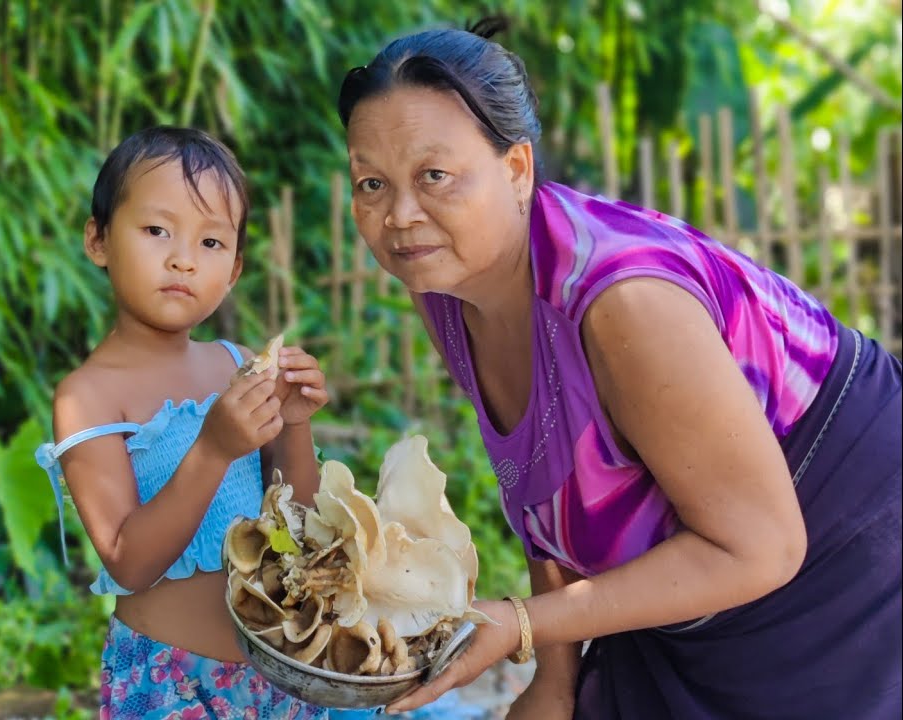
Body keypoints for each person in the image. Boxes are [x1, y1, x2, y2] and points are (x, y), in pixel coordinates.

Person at [335, 19, 902, 720]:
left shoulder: (625, 306)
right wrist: (553, 683)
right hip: (691, 560)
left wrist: (519, 621)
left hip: (843, 548)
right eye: (371, 183)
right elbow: (547, 488)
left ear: (516, 169)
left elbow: (764, 547)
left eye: (435, 175)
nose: (400, 214)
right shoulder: (445, 285)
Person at [35, 127, 369, 719]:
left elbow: (298, 526)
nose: (183, 259)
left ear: (235, 269)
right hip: (169, 684)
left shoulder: (239, 367)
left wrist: (293, 426)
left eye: (211, 242)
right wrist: (213, 449)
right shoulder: (86, 397)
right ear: (98, 239)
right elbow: (127, 561)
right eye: (157, 230)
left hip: (278, 669)